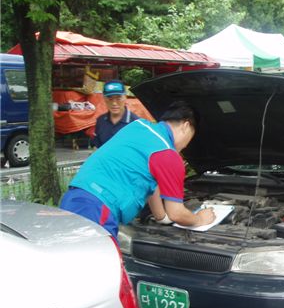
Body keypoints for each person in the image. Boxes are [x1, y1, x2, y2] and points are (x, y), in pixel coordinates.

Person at [60, 100, 215, 239]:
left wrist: (161, 217)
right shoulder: (167, 153)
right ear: (186, 125)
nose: (187, 145)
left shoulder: (138, 127)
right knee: (100, 267)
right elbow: (177, 213)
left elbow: (149, 179)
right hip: (97, 210)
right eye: (191, 137)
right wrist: (200, 219)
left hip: (74, 198)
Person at [93, 80, 141, 148]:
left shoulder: (136, 123)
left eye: (118, 98)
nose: (114, 103)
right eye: (110, 99)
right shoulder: (100, 121)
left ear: (125, 97)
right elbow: (97, 148)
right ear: (104, 98)